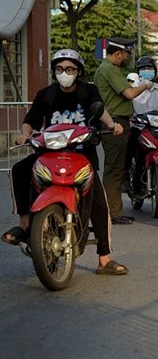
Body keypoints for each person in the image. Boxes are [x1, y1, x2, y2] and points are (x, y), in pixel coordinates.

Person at [2, 49, 128, 275]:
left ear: (78, 71)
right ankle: (24, 224)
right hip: (50, 152)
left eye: (69, 69)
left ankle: (104, 258)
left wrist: (111, 125)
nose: (64, 73)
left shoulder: (87, 91)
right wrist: (25, 134)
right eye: (59, 69)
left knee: (99, 202)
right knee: (20, 169)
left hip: (82, 154)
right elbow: (31, 120)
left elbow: (101, 111)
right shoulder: (46, 94)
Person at [94, 37, 154, 224]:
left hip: (114, 120)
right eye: (126, 53)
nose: (127, 57)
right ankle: (113, 213)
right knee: (115, 169)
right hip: (114, 122)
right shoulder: (110, 69)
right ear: (118, 53)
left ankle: (114, 210)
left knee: (116, 167)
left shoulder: (105, 68)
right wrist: (145, 85)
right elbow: (128, 94)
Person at [127, 56, 158, 195]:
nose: (146, 71)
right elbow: (127, 106)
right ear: (138, 71)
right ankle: (131, 181)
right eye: (143, 69)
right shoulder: (132, 89)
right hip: (139, 127)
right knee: (131, 147)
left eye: (149, 68)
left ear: (155, 71)